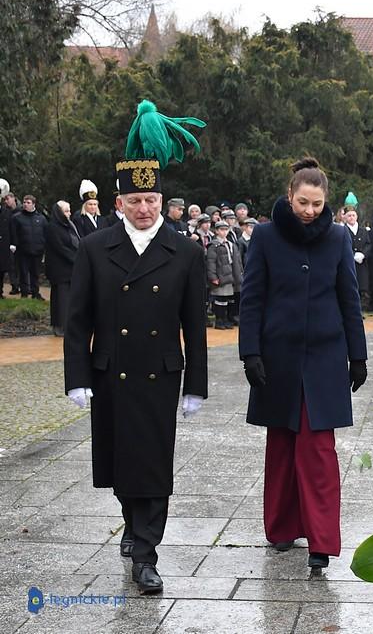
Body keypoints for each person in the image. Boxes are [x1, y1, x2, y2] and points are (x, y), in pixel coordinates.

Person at [63, 99, 208, 595]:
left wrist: (197, 385)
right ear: (119, 202)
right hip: (111, 371)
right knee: (121, 462)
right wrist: (77, 377)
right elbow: (77, 318)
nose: (144, 209)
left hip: (160, 374)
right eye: (135, 201)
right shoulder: (94, 248)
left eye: (152, 201)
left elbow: (196, 323)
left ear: (162, 200)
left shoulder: (185, 251)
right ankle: (133, 524)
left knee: (153, 463)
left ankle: (146, 553)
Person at [238, 157, 368, 569]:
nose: (310, 211)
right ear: (289, 196)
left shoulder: (337, 238)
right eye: (303, 202)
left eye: (316, 204)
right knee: (280, 445)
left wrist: (358, 354)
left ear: (325, 201)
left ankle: (322, 541)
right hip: (277, 358)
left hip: (325, 359)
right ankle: (280, 528)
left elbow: (350, 298)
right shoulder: (264, 236)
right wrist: (249, 353)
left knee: (318, 450)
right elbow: (252, 297)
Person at [44, 201, 81, 336]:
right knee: (61, 299)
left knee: (68, 298)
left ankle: (67, 324)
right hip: (59, 270)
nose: (69, 213)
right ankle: (60, 326)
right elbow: (60, 248)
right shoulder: (53, 227)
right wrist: (76, 259)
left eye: (69, 210)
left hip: (70, 268)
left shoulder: (69, 225)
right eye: (66, 211)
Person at [206, 221, 242, 329]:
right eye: (221, 230)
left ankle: (225, 318)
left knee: (227, 299)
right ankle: (219, 320)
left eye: (226, 230)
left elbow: (237, 261)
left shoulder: (231, 244)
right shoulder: (214, 245)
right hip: (220, 276)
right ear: (216, 231)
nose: (224, 232)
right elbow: (211, 262)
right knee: (219, 299)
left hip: (230, 276)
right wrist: (213, 276)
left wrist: (239, 274)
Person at [10, 194, 47, 299]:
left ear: (33, 204)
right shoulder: (17, 218)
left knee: (35, 273)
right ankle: (24, 293)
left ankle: (35, 293)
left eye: (28, 203)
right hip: (23, 251)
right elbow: (13, 233)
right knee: (23, 273)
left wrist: (43, 245)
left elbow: (45, 233)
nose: (26, 205)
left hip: (37, 250)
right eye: (24, 202)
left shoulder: (41, 218)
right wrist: (14, 245)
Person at [341, 195, 371, 311]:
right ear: (345, 217)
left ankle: (360, 309)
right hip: (349, 263)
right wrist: (351, 256)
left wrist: (363, 254)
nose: (351, 217)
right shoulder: (343, 230)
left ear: (357, 216)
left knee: (361, 287)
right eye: (349, 215)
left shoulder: (363, 231)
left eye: (353, 215)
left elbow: (369, 244)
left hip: (362, 264)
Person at [0, 190, 14, 298]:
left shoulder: (6, 212)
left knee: (1, 269)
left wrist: (13, 243)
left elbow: (11, 229)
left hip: (3, 245)